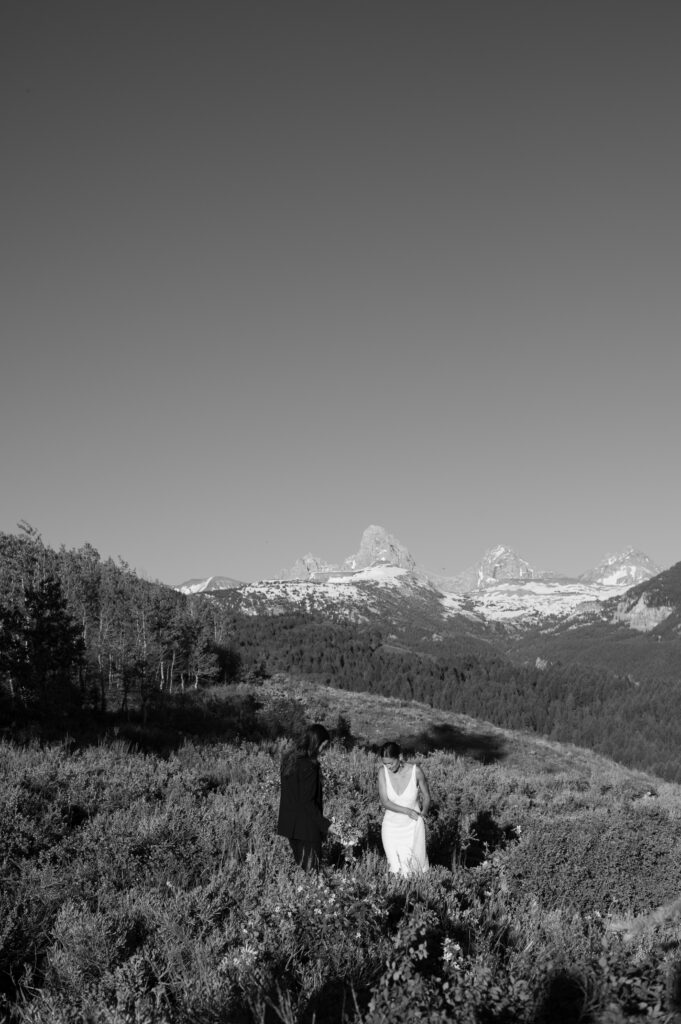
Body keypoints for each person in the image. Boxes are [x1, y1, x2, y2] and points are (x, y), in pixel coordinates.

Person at [277, 723, 337, 871]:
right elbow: (307, 802)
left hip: (291, 827)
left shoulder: (289, 760)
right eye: (324, 745)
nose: (324, 750)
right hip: (307, 829)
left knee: (302, 872)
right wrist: (326, 826)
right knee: (311, 875)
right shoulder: (309, 765)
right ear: (317, 743)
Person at [378, 741, 431, 876]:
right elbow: (385, 802)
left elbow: (426, 796)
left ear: (400, 757)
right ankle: (397, 895)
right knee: (395, 868)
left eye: (391, 763)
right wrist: (408, 811)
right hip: (391, 827)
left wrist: (423, 814)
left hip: (412, 828)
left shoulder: (416, 771)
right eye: (385, 763)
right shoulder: (382, 772)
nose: (388, 767)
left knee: (411, 871)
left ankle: (411, 895)